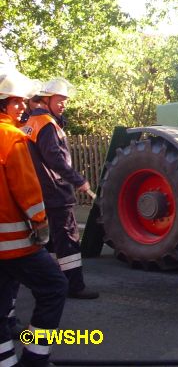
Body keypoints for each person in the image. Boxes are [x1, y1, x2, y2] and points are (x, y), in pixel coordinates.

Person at [0, 70, 68, 367]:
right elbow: (27, 189)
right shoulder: (11, 138)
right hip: (14, 244)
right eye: (16, 102)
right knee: (54, 287)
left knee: (1, 307)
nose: (22, 107)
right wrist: (40, 223)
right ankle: (36, 358)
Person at [21, 77, 99, 299]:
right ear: (46, 99)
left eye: (65, 100)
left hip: (38, 193)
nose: (64, 104)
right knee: (68, 241)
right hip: (56, 193)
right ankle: (75, 287)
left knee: (45, 241)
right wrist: (78, 180)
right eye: (60, 100)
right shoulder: (47, 124)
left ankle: (46, 283)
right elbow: (55, 159)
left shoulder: (28, 125)